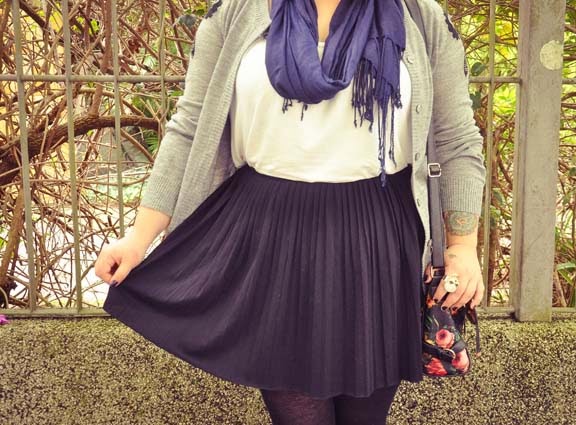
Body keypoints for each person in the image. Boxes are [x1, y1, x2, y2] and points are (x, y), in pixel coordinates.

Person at [95, 0, 486, 423]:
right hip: (270, 236)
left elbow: (457, 139)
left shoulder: (421, 18)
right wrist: (139, 238)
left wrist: (463, 247)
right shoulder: (235, 13)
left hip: (377, 238)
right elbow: (190, 127)